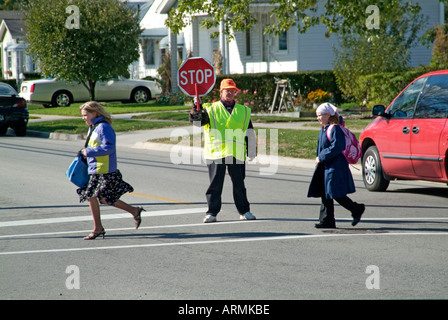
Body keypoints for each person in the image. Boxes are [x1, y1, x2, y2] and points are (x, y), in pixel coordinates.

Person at [190, 78, 257, 223]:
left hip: (236, 153)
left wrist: (251, 150)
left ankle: (244, 211)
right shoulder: (210, 109)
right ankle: (212, 213)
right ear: (221, 92)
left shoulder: (243, 111)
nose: (230, 93)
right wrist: (196, 107)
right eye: (227, 90)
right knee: (215, 185)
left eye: (233, 90)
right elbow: (197, 123)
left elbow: (249, 131)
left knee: (239, 185)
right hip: (216, 153)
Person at [77, 101, 145, 239]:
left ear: (95, 113)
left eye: (86, 115)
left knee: (95, 197)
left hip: (105, 169)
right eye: (83, 115)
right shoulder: (93, 127)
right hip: (95, 168)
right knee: (103, 198)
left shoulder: (103, 127)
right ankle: (134, 211)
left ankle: (98, 228)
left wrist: (88, 152)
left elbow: (109, 148)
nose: (84, 118)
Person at [307, 103, 365, 228]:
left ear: (328, 115)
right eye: (317, 116)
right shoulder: (323, 128)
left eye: (320, 115)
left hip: (335, 166)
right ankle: (327, 220)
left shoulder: (335, 128)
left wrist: (321, 157)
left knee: (335, 193)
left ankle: (356, 209)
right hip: (326, 166)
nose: (318, 118)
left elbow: (337, 147)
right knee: (325, 193)